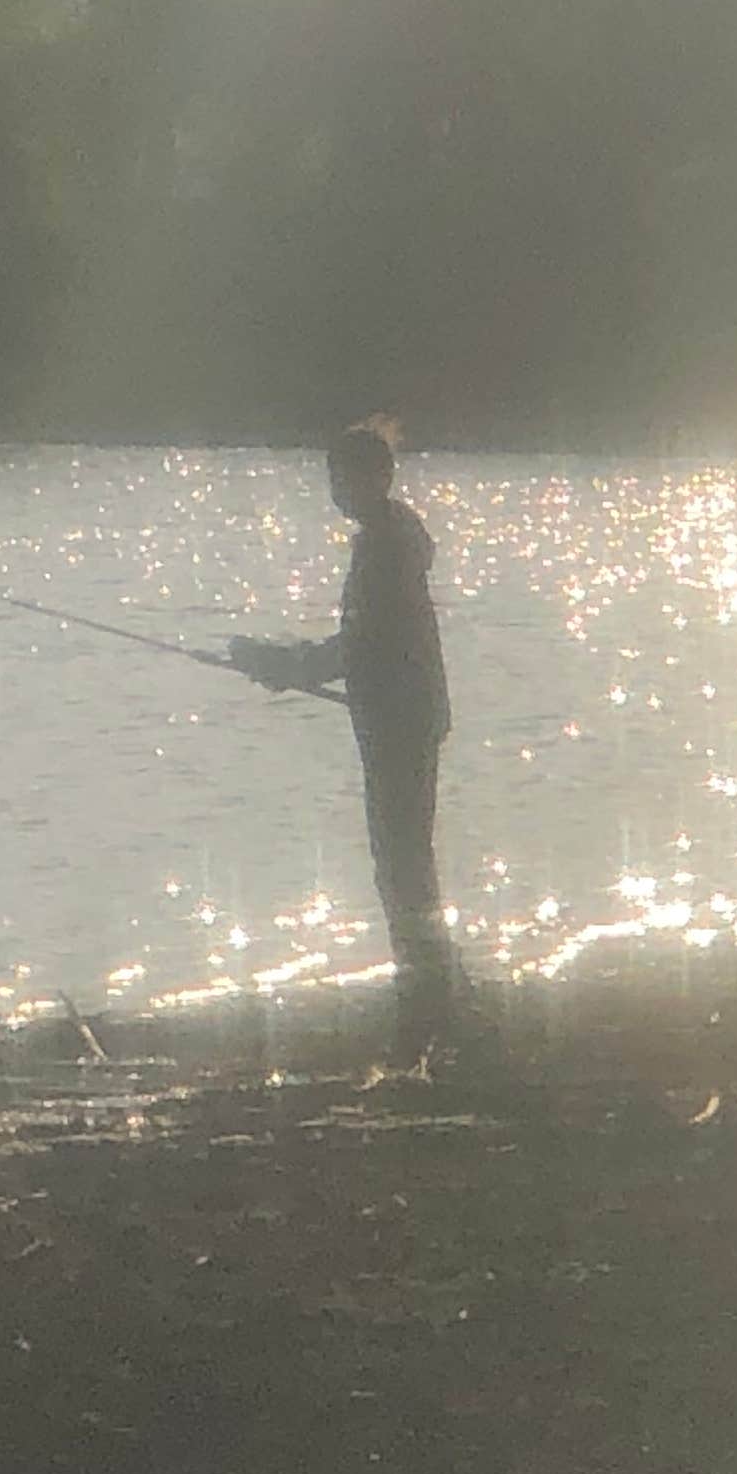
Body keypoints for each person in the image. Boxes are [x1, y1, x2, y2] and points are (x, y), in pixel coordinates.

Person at [232, 422, 458, 1046]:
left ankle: (428, 990)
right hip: (402, 712)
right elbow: (365, 646)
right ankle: (427, 976)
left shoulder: (385, 548)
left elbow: (363, 645)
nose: (336, 490)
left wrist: (282, 666)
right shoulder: (392, 540)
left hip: (399, 718)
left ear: (375, 479)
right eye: (332, 478)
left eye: (343, 478)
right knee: (406, 852)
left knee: (400, 855)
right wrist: (288, 665)